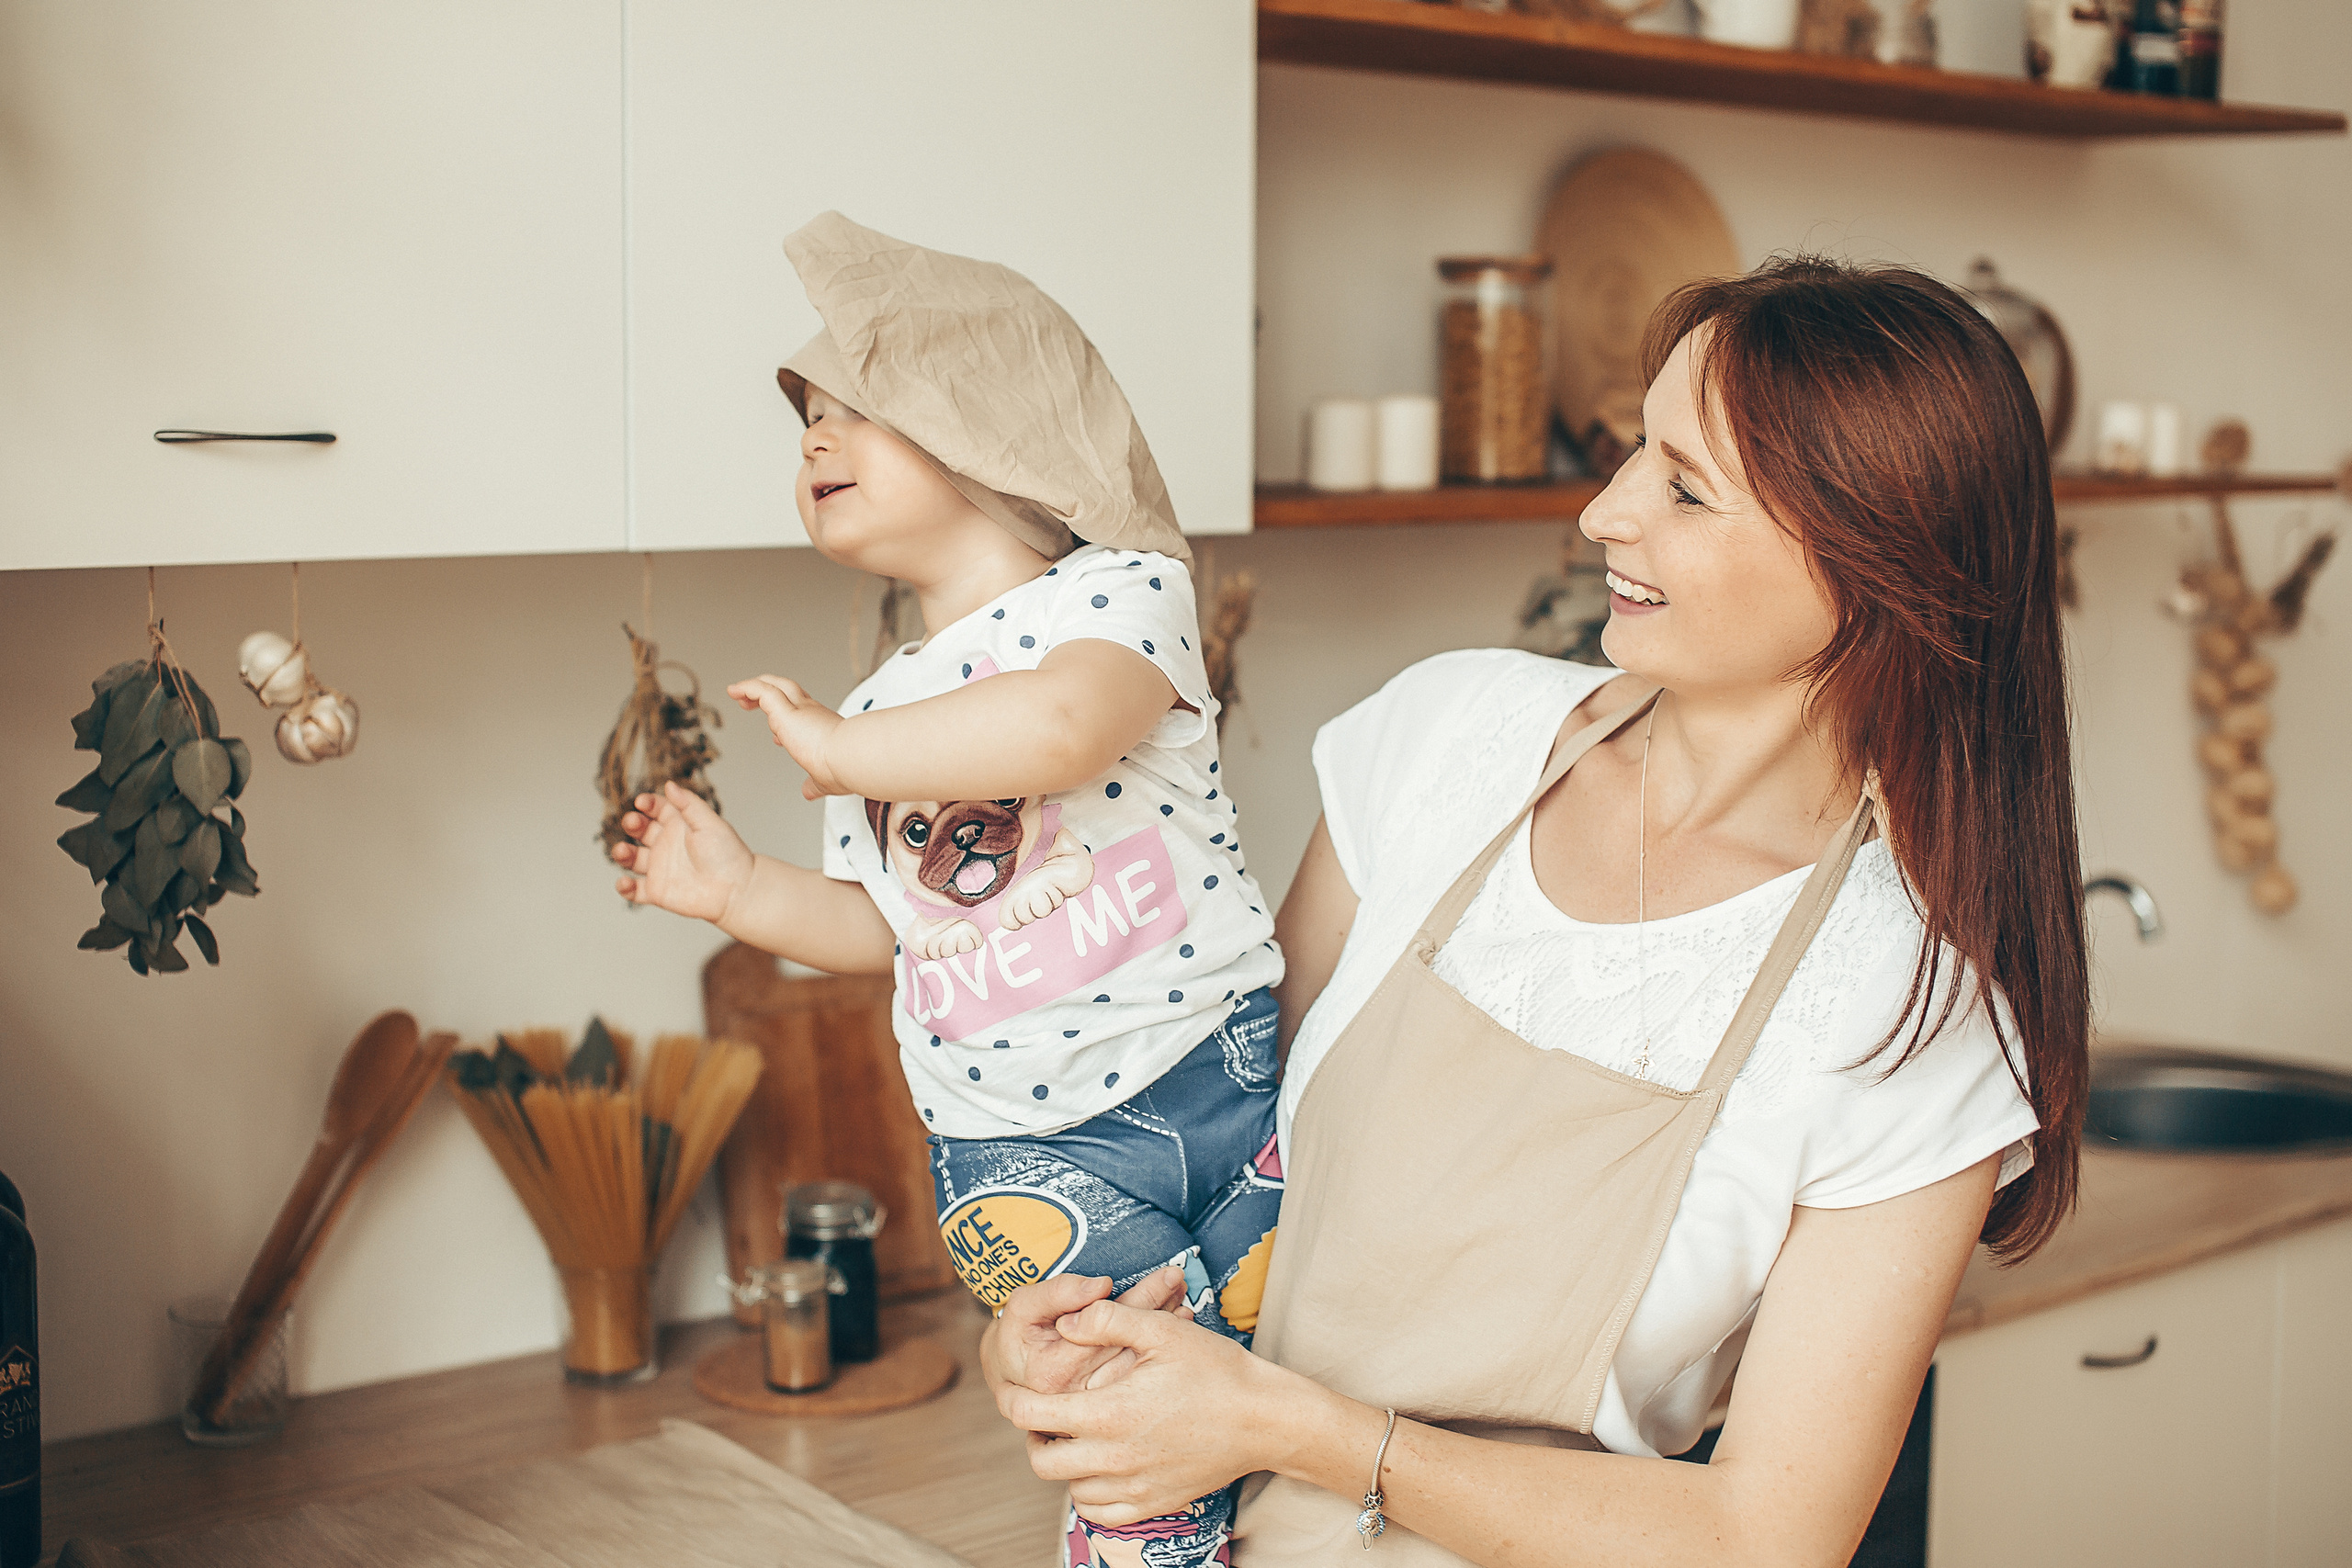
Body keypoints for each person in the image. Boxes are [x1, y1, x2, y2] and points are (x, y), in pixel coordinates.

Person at [981, 256, 2091, 1568]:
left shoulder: (1905, 1010)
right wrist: (1085, 1316)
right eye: (1637, 451)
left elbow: (1768, 1537)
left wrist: (1292, 1427)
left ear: (1870, 565)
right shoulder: (1445, 739)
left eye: (1684, 487)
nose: (1606, 511)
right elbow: (1221, 1156)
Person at [609, 212, 1283, 1568]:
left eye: (857, 410)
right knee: (1130, 1429)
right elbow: (885, 931)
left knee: (1276, 1394)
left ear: (993, 430)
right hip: (1023, 1155)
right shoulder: (879, 707)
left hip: (1223, 1080)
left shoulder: (1126, 593)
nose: (810, 439)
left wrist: (844, 755)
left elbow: (1055, 733)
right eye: (805, 420)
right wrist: (738, 888)